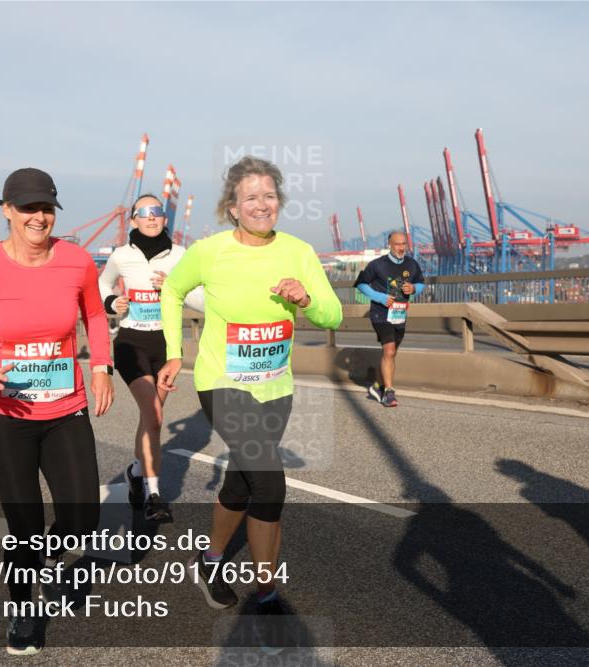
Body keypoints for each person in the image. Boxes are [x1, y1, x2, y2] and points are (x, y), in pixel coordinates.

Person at [157, 156, 342, 616]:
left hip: (275, 386)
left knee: (241, 483)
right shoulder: (210, 251)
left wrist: (307, 298)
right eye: (251, 197)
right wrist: (174, 351)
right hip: (222, 382)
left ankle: (210, 559)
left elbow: (333, 314)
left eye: (270, 196)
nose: (262, 205)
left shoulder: (298, 252)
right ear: (233, 208)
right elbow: (172, 291)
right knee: (270, 481)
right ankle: (267, 591)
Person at [0, 167, 114, 656]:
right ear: (7, 211)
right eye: (27, 208)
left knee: (82, 517)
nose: (38, 217)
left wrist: (101, 367)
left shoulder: (77, 260)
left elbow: (95, 315)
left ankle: (44, 557)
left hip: (65, 408)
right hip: (4, 417)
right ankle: (24, 610)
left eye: (46, 208)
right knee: (25, 528)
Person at [98, 193, 204, 523]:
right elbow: (100, 284)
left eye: (157, 211)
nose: (152, 217)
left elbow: (203, 300)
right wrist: (112, 301)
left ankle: (134, 471)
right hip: (132, 343)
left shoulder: (181, 255)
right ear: (133, 220)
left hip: (168, 345)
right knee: (154, 412)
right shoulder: (121, 255)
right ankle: (153, 494)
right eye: (144, 212)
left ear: (164, 218)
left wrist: (175, 287)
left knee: (151, 419)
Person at [354, 231, 425, 407]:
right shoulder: (377, 265)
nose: (401, 248)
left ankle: (378, 386)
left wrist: (414, 288)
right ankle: (389, 392)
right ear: (389, 245)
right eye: (397, 244)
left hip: (400, 314)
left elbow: (421, 282)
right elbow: (361, 284)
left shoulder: (412, 264)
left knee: (390, 354)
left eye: (403, 244)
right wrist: (379, 297)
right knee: (390, 351)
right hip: (380, 313)